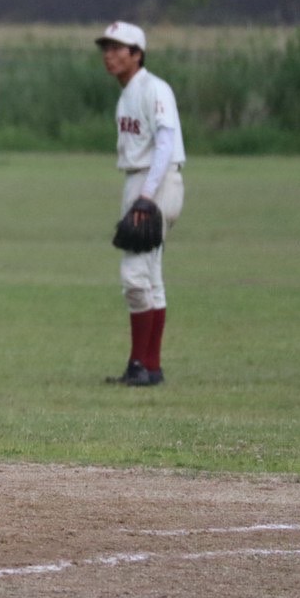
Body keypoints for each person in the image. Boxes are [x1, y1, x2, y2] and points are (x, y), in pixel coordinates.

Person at [96, 21, 185, 387]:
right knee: (150, 276)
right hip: (143, 180)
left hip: (155, 181)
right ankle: (149, 366)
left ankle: (140, 364)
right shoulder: (128, 91)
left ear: (137, 54)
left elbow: (166, 141)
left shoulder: (153, 88)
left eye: (119, 48)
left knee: (135, 276)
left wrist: (146, 196)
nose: (110, 54)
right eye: (107, 47)